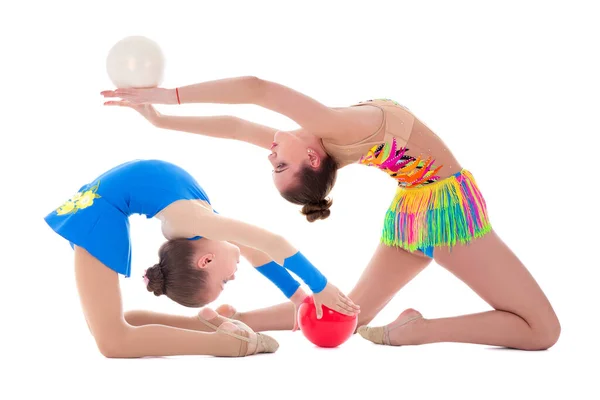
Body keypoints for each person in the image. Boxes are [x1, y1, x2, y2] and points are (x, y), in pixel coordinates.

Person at [101, 76, 561, 350]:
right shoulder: (331, 132)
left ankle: (234, 317)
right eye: (278, 165)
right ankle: (416, 333)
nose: (271, 154)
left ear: (314, 158)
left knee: (348, 314)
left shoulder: (324, 138)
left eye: (276, 163)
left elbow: (244, 115)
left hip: (413, 211)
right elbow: (253, 97)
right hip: (444, 209)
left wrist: (165, 106)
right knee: (543, 331)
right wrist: (167, 105)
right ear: (314, 161)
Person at [44, 158, 359, 358]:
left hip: (98, 211)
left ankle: (202, 326)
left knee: (113, 330)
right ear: (206, 261)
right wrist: (320, 287)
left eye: (224, 281)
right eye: (224, 282)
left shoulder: (195, 224)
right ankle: (226, 345)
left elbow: (260, 251)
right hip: (98, 214)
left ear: (205, 261)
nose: (232, 277)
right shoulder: (196, 223)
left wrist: (301, 297)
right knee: (112, 341)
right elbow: (269, 244)